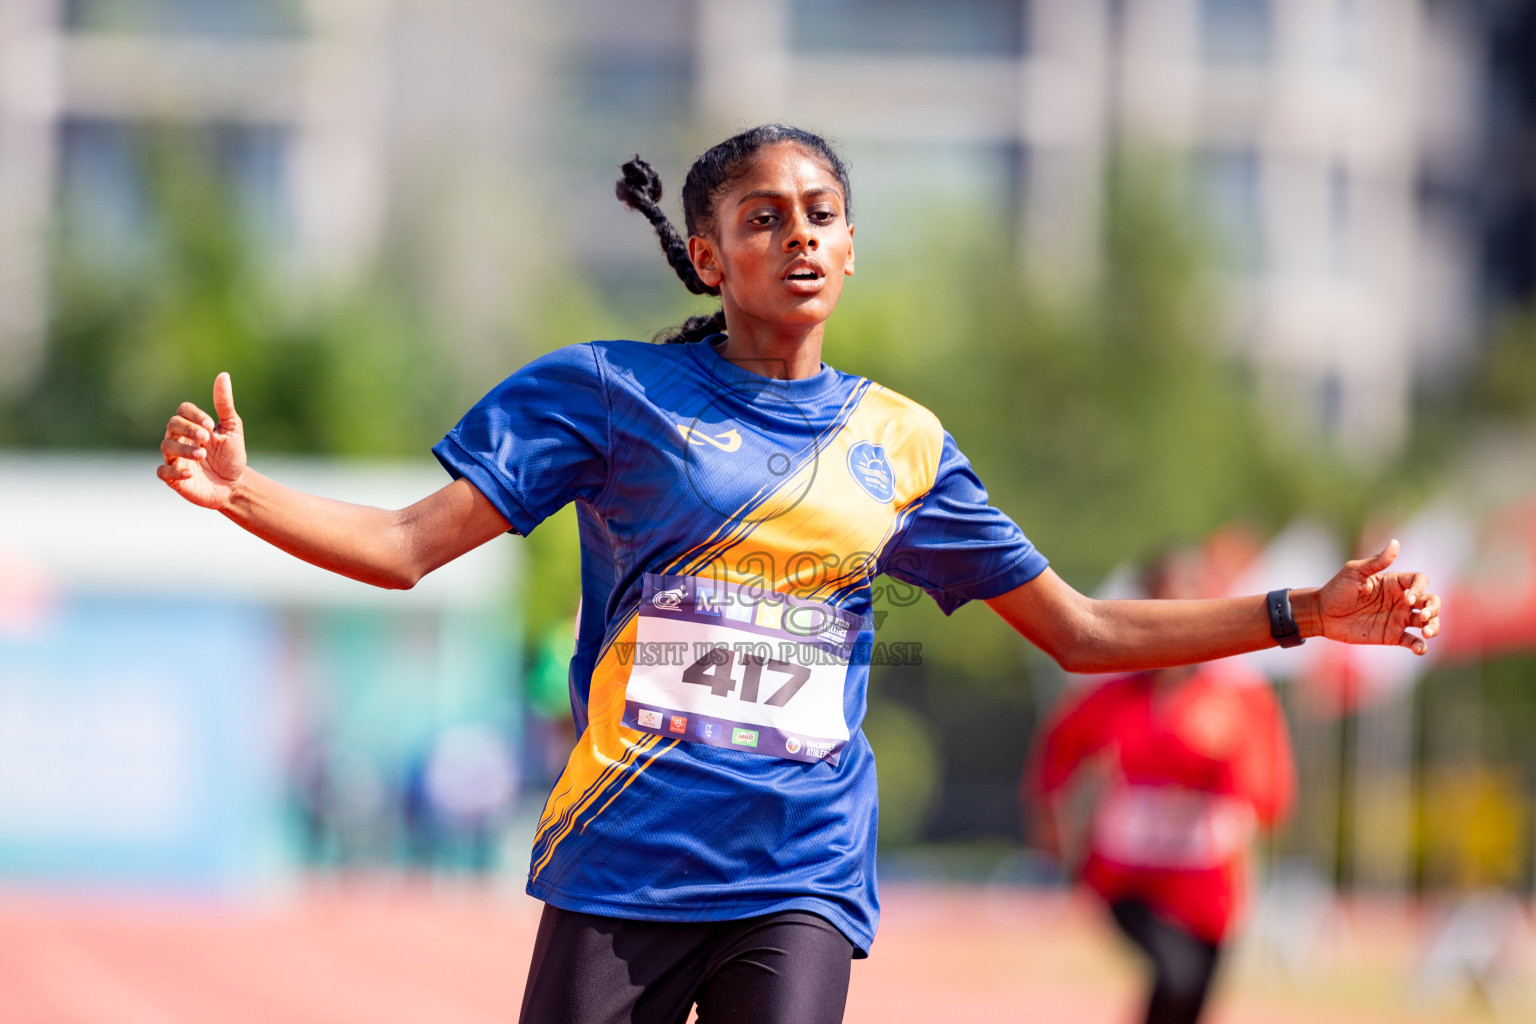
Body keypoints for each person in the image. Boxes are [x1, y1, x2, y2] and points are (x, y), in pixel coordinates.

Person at [158, 124, 1441, 1024]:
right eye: (762, 220)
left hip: (799, 869)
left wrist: (1305, 614)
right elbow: (403, 547)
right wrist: (242, 493)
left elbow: (1082, 627)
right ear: (708, 255)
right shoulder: (614, 395)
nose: (800, 238)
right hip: (627, 860)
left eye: (821, 214)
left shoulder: (902, 444)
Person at [1026, 546, 1296, 1024]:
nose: (1172, 618)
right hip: (1128, 878)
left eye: (1185, 602)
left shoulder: (1240, 696)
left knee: (1188, 1004)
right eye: (1160, 603)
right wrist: (1050, 819)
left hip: (1210, 885)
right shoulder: (1113, 693)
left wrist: (1222, 761)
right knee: (1174, 978)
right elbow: (1058, 750)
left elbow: (1270, 796)